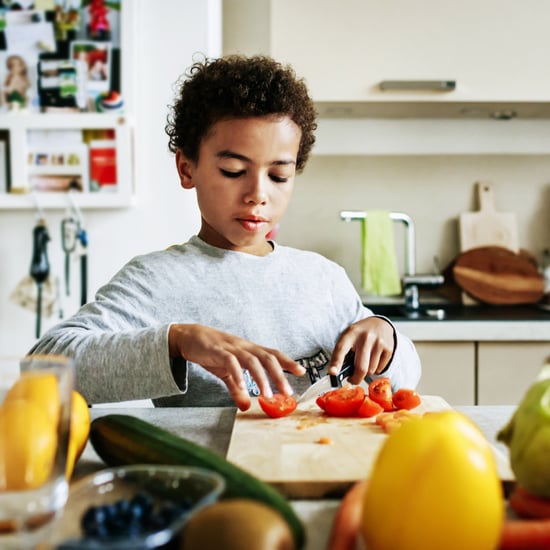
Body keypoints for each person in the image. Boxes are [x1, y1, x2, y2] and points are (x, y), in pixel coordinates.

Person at [30, 55, 421, 410]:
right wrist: (177, 340)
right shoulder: (158, 280)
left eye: (279, 175)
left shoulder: (323, 279)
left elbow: (405, 377)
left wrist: (385, 338)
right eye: (234, 171)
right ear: (187, 169)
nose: (257, 194)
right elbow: (43, 369)